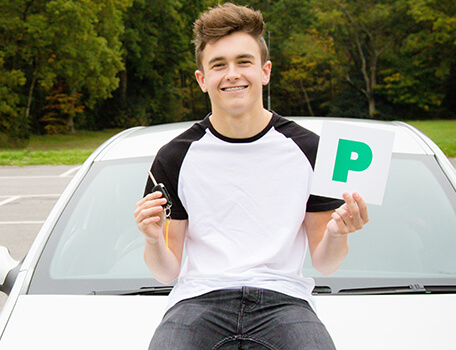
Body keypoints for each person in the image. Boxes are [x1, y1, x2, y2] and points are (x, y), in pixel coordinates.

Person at [133, 3, 369, 349]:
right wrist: (153, 239)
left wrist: (337, 233)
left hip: (285, 301)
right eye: (218, 65)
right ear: (202, 79)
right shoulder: (174, 157)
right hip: (198, 300)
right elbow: (166, 272)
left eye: (244, 61)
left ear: (265, 71)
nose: (232, 74)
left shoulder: (312, 150)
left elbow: (326, 263)